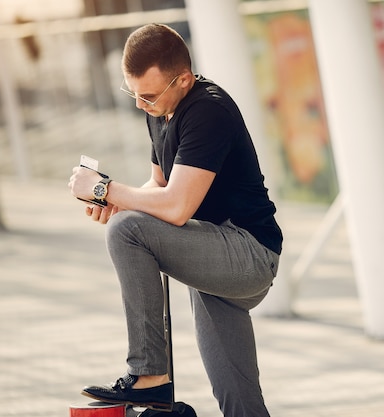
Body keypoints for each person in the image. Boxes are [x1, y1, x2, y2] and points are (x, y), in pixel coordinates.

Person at [68, 23, 283, 417]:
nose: (139, 104)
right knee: (239, 402)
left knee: (126, 231)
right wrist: (115, 201)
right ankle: (155, 386)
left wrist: (107, 190)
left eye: (147, 95)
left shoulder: (207, 110)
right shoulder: (160, 109)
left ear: (183, 79)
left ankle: (149, 377)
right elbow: (159, 186)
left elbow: (176, 207)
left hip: (248, 253)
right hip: (212, 253)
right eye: (132, 93)